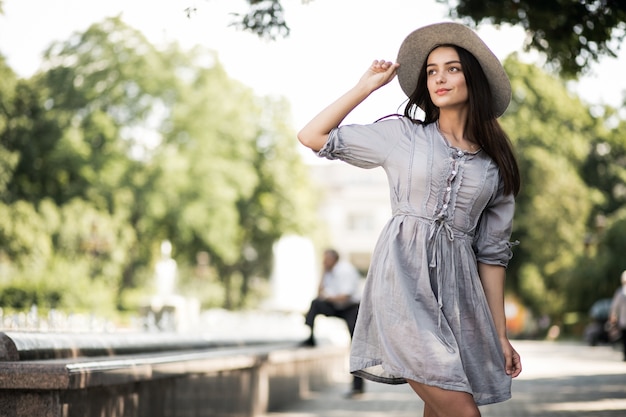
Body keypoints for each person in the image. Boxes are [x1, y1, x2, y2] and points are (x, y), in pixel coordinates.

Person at [297, 22, 522, 417]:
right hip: (400, 285)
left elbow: (491, 258)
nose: (439, 78)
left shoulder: (495, 169)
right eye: (432, 71)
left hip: (458, 298)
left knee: (439, 410)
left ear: (474, 79)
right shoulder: (403, 137)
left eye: (452, 68)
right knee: (463, 412)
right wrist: (365, 87)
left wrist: (499, 335)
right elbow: (313, 136)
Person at [302, 248, 365, 397]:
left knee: (356, 347)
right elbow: (319, 293)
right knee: (315, 304)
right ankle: (310, 337)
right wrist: (323, 273)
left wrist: (327, 298)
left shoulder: (345, 271)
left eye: (325, 260)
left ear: (333, 259)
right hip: (337, 306)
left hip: (352, 309)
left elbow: (345, 297)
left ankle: (357, 387)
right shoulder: (329, 272)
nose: (323, 262)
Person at [609, 270, 626, 361]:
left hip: (623, 319)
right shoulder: (620, 292)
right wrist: (613, 315)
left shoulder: (620, 292)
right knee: (624, 338)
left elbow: (615, 306)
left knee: (624, 338)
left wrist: (613, 315)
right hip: (623, 320)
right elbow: (615, 306)